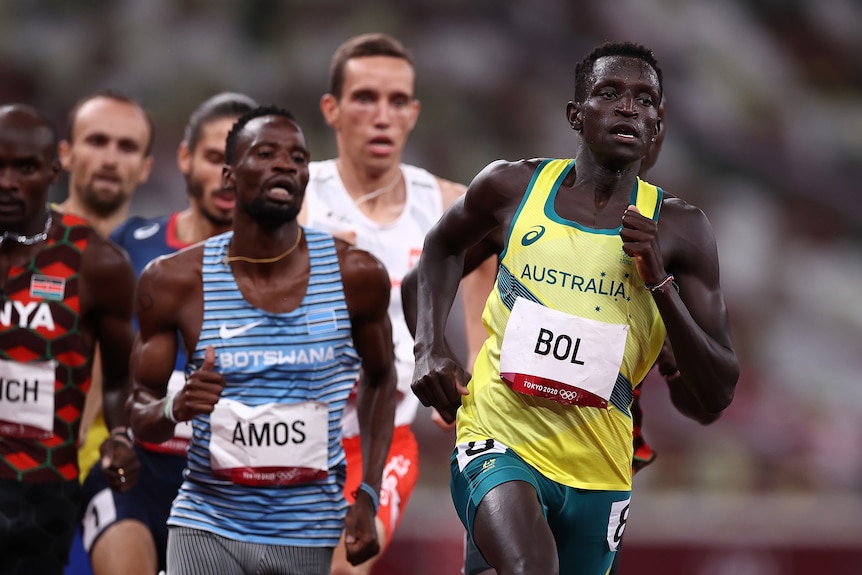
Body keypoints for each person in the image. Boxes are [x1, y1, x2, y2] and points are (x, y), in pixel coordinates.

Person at [410, 42, 739, 575]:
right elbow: (439, 250)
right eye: (609, 94)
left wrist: (659, 282)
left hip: (600, 468)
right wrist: (429, 348)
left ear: (658, 125)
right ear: (575, 115)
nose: (628, 108)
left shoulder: (682, 231)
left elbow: (718, 391)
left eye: (644, 99)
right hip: (499, 437)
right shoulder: (511, 187)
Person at [128, 106, 398, 575]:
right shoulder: (173, 281)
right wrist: (177, 407)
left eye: (298, 157)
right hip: (205, 526)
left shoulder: (357, 275)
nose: (285, 165)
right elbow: (139, 414)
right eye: (266, 153)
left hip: (308, 532)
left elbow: (381, 377)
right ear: (229, 178)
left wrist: (368, 493)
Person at [299, 32, 496, 575]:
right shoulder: (296, 197)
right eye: (365, 98)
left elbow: (486, 272)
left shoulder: (449, 204)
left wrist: (474, 379)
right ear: (332, 110)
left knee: (344, 567)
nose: (381, 115)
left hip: (377, 444)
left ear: (413, 113)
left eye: (396, 101)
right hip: (286, 433)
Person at [77, 92, 258, 575]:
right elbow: (92, 369)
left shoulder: (286, 273)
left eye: (242, 161)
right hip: (135, 472)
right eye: (215, 158)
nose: (227, 175)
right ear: (185, 158)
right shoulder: (127, 249)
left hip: (231, 489)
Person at [0, 104, 137, 575]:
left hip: (43, 492)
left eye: (25, 168)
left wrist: (120, 436)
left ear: (54, 171)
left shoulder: (97, 262)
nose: (7, 181)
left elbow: (120, 382)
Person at [54, 89, 154, 575]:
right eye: (97, 141)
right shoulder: (19, 245)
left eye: (127, 146)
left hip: (117, 488)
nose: (112, 158)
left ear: (147, 166)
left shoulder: (164, 266)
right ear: (65, 153)